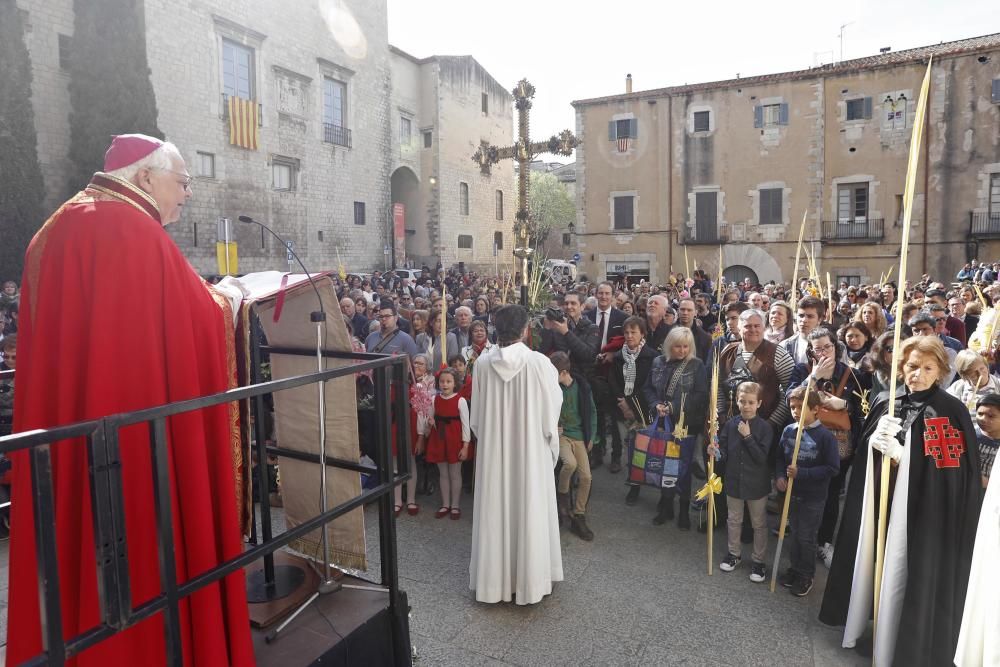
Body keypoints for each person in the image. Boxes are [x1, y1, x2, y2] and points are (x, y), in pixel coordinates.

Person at [7, 134, 254, 664]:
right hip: (132, 454)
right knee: (144, 564)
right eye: (182, 182)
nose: (186, 195)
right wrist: (230, 298)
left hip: (70, 444)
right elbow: (199, 317)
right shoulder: (131, 230)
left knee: (73, 550)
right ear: (145, 177)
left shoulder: (54, 228)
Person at [820, 336, 982, 666]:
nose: (917, 374)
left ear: (940, 371)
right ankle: (876, 628)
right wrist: (874, 447)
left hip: (922, 515)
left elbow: (947, 477)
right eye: (911, 367)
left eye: (927, 368)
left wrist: (905, 457)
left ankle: (904, 642)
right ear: (900, 367)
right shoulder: (886, 400)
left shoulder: (949, 412)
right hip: (882, 502)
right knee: (876, 565)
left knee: (908, 573)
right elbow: (864, 451)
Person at [469, 305, 563, 605]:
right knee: (530, 509)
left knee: (496, 510)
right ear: (525, 330)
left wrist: (495, 441)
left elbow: (477, 419)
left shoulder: (482, 364)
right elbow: (552, 413)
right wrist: (549, 446)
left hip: (495, 451)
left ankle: (494, 584)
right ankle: (530, 582)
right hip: (531, 452)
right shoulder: (540, 364)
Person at [636, 326, 708, 529]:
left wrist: (673, 406)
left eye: (686, 346)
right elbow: (648, 388)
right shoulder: (658, 361)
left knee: (682, 468)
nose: (682, 351)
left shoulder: (696, 365)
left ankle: (683, 509)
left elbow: (701, 395)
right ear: (669, 345)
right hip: (662, 421)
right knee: (663, 463)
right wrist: (655, 404)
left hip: (685, 425)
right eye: (678, 347)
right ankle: (666, 506)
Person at [775, 387, 839, 597]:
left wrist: (803, 473)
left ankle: (806, 575)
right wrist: (780, 477)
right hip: (792, 494)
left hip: (813, 496)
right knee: (794, 533)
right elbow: (779, 459)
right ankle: (794, 569)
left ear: (816, 409)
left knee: (806, 537)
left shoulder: (825, 437)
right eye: (793, 407)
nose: (795, 411)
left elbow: (832, 468)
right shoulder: (788, 431)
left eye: (801, 408)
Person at [710, 382, 774, 583]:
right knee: (734, 519)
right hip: (734, 482)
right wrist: (715, 452)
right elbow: (724, 453)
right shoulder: (730, 424)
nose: (746, 406)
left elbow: (761, 458)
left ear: (759, 403)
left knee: (758, 523)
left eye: (751, 402)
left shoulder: (765, 428)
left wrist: (748, 437)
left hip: (756, 485)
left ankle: (758, 561)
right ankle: (734, 554)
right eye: (742, 401)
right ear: (736, 401)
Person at [550, 352, 597, 541]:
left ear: (563, 372)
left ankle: (579, 514)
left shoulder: (582, 387)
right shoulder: (553, 389)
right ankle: (563, 500)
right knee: (569, 464)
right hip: (562, 436)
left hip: (579, 436)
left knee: (586, 476)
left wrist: (592, 436)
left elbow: (592, 412)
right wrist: (553, 427)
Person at [424, 368, 471, 520]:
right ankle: (445, 504)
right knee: (443, 474)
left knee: (455, 474)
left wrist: (465, 446)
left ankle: (455, 505)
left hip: (454, 441)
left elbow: (465, 425)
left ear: (455, 383)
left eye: (448, 381)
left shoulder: (460, 400)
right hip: (439, 440)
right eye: (442, 381)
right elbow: (431, 421)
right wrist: (430, 422)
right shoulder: (434, 399)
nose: (445, 384)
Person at [947, 349, 1000, 417]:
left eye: (982, 368)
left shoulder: (998, 384)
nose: (980, 374)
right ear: (964, 376)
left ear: (986, 366)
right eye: (973, 372)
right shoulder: (958, 387)